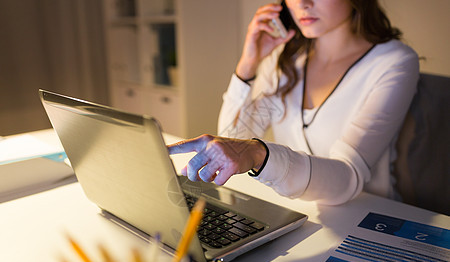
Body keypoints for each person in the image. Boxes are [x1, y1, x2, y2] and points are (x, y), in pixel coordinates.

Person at [168, 0, 419, 205]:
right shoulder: (285, 58)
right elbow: (232, 137)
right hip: (295, 213)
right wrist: (248, 65)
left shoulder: (394, 62)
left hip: (366, 216)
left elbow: (347, 177)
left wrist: (259, 154)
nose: (302, 3)